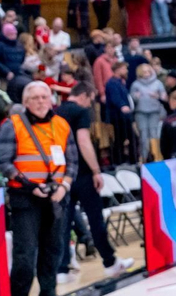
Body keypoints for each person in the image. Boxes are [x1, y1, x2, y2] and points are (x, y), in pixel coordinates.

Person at [0, 80, 75, 296]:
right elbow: (4, 163)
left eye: (45, 97)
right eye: (35, 98)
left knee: (54, 247)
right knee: (26, 250)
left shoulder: (61, 124)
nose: (41, 102)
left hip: (56, 195)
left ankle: (48, 293)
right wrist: (29, 185)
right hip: (26, 196)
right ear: (25, 102)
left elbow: (72, 161)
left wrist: (64, 186)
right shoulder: (13, 125)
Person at [55, 81, 135, 285]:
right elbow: (83, 141)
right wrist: (95, 170)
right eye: (91, 100)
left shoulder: (56, 112)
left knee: (64, 222)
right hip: (82, 173)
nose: (91, 104)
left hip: (62, 174)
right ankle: (110, 262)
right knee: (95, 218)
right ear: (86, 95)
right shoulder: (81, 112)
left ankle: (62, 268)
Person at [131, 62, 167, 161]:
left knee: (154, 134)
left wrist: (158, 96)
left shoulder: (158, 83)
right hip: (141, 112)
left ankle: (157, 156)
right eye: (144, 72)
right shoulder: (135, 84)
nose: (146, 74)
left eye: (148, 71)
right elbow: (131, 99)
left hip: (154, 111)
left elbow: (164, 98)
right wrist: (135, 97)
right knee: (143, 135)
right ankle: (144, 157)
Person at [105, 60, 134, 164]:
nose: (126, 71)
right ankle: (120, 161)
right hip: (118, 117)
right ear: (118, 70)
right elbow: (115, 97)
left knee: (128, 138)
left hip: (124, 116)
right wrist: (122, 106)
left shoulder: (120, 82)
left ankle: (128, 159)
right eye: (124, 68)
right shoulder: (112, 83)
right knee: (121, 139)